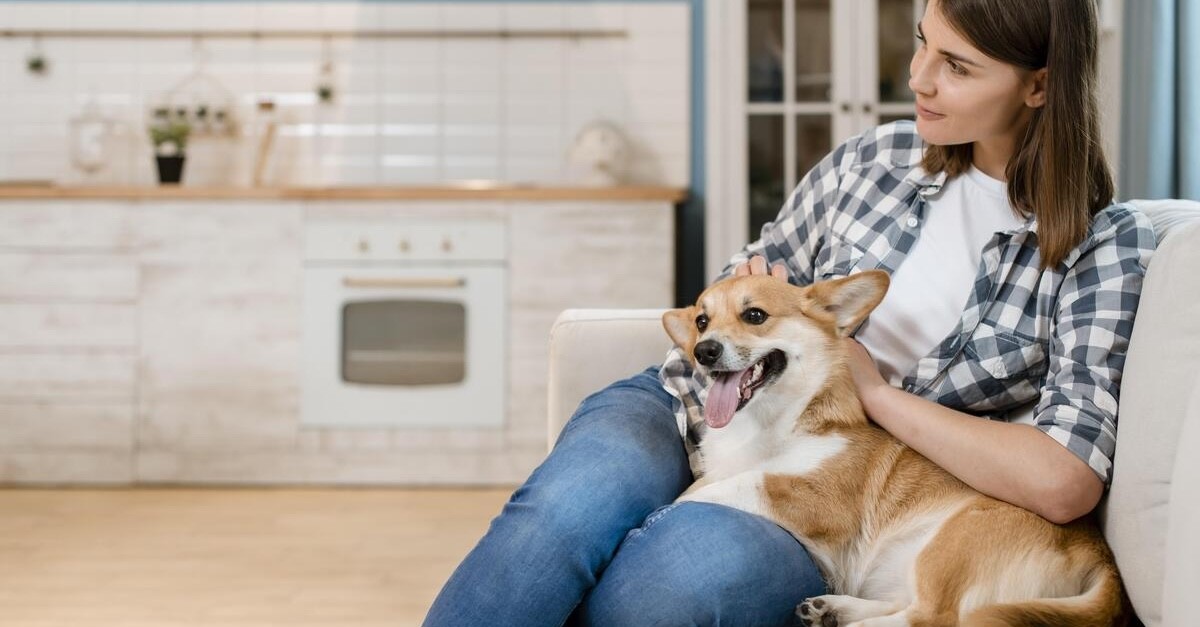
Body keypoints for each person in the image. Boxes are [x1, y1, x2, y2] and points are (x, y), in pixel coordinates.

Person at [423, 0, 1155, 624]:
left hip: (826, 494)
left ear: (1039, 85)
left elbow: (1065, 479)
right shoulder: (874, 160)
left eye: (957, 67)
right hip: (685, 405)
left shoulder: (1098, 248)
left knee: (666, 586)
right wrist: (748, 292)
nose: (918, 78)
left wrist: (875, 394)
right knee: (556, 523)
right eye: (923, 42)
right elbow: (744, 279)